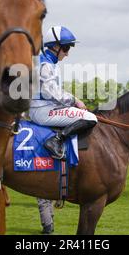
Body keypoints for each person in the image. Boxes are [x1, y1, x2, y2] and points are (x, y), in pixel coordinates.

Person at [29, 25, 98, 159]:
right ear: (55, 47)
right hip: (42, 111)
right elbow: (52, 93)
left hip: (44, 108)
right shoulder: (45, 65)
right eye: (66, 48)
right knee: (90, 118)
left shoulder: (48, 63)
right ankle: (56, 140)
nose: (67, 53)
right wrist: (74, 100)